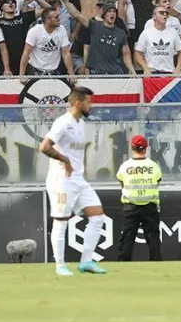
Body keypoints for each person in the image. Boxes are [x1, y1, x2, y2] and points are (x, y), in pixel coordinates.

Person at [39, 86, 108, 276]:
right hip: (61, 179)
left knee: (97, 216)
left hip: (78, 179)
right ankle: (60, 265)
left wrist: (81, 169)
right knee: (61, 221)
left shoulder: (81, 124)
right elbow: (44, 147)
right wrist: (65, 160)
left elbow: (77, 151)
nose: (91, 106)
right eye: (89, 102)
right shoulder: (63, 123)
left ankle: (86, 261)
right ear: (78, 103)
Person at [116, 134, 163, 262]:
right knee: (153, 238)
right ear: (146, 148)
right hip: (149, 206)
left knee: (127, 238)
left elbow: (122, 183)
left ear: (132, 147)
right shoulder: (153, 166)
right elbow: (157, 182)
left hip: (131, 206)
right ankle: (156, 264)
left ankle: (123, 265)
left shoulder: (125, 166)